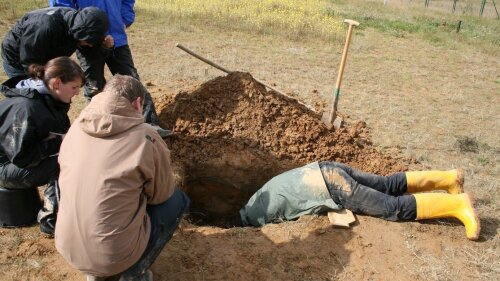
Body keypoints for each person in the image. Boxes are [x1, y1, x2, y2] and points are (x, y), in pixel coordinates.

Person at [55, 75, 190, 281]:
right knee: (177, 201)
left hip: (68, 247)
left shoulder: (76, 126)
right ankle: (133, 273)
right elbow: (160, 196)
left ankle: (95, 270)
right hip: (114, 257)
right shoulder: (146, 137)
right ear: (137, 103)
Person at [237, 161, 480, 241]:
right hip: (326, 167)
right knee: (387, 184)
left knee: (390, 207)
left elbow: (294, 220)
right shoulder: (257, 196)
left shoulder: (261, 218)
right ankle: (448, 179)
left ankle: (457, 205)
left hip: (331, 186)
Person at [49, 0, 172, 138]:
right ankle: (102, 129)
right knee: (95, 87)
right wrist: (81, 30)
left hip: (117, 38)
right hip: (87, 41)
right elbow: (62, 7)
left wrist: (124, 19)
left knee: (132, 82)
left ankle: (150, 125)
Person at [0, 56, 85, 236]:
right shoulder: (27, 108)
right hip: (5, 167)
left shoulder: (48, 99)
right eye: (74, 87)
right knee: (64, 163)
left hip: (13, 160)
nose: (77, 93)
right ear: (56, 83)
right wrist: (57, 143)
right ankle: (50, 220)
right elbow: (23, 158)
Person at [1, 6, 109, 78]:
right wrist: (45, 81)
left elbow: (92, 56)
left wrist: (105, 47)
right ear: (81, 33)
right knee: (31, 98)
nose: (90, 44)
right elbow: (30, 63)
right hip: (18, 60)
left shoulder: (79, 26)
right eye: (89, 41)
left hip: (45, 56)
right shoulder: (44, 27)